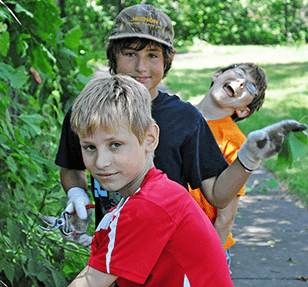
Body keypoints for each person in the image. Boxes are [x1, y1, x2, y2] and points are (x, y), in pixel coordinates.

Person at [55, 4, 307, 245]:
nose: (141, 67)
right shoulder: (89, 109)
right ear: (113, 53)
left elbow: (218, 194)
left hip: (171, 257)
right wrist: (77, 195)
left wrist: (249, 157)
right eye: (130, 54)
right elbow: (71, 166)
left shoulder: (185, 119)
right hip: (112, 251)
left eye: (152, 55)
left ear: (168, 59)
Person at [67, 73, 233, 287]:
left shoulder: (150, 205)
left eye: (115, 144)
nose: (101, 162)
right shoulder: (151, 195)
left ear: (149, 139)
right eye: (90, 147)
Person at [189, 62, 267, 273]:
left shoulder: (235, 143)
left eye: (250, 88)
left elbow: (226, 217)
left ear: (242, 111)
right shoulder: (178, 115)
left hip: (203, 244)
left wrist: (207, 263)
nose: (241, 82)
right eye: (239, 74)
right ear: (217, 74)